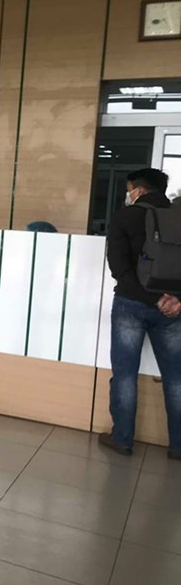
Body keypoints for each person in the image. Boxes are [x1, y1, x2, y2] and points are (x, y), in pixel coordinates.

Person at [100, 168, 181, 460]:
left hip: (131, 305)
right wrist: (175, 300)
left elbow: (119, 268)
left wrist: (152, 297)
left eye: (130, 188)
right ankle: (179, 445)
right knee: (176, 378)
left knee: (124, 375)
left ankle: (122, 439)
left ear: (139, 190)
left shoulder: (125, 216)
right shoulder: (179, 217)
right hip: (174, 308)